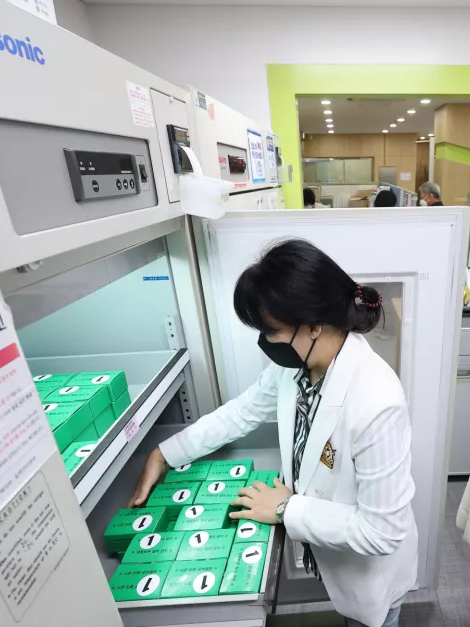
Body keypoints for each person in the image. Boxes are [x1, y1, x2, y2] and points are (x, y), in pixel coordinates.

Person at [129, 240, 416, 627]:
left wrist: (285, 508)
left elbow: (382, 532)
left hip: (369, 571)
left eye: (271, 331)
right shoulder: (298, 364)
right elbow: (243, 412)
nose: (265, 343)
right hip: (332, 555)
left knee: (373, 621)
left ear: (314, 325)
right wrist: (167, 453)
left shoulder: (377, 401)